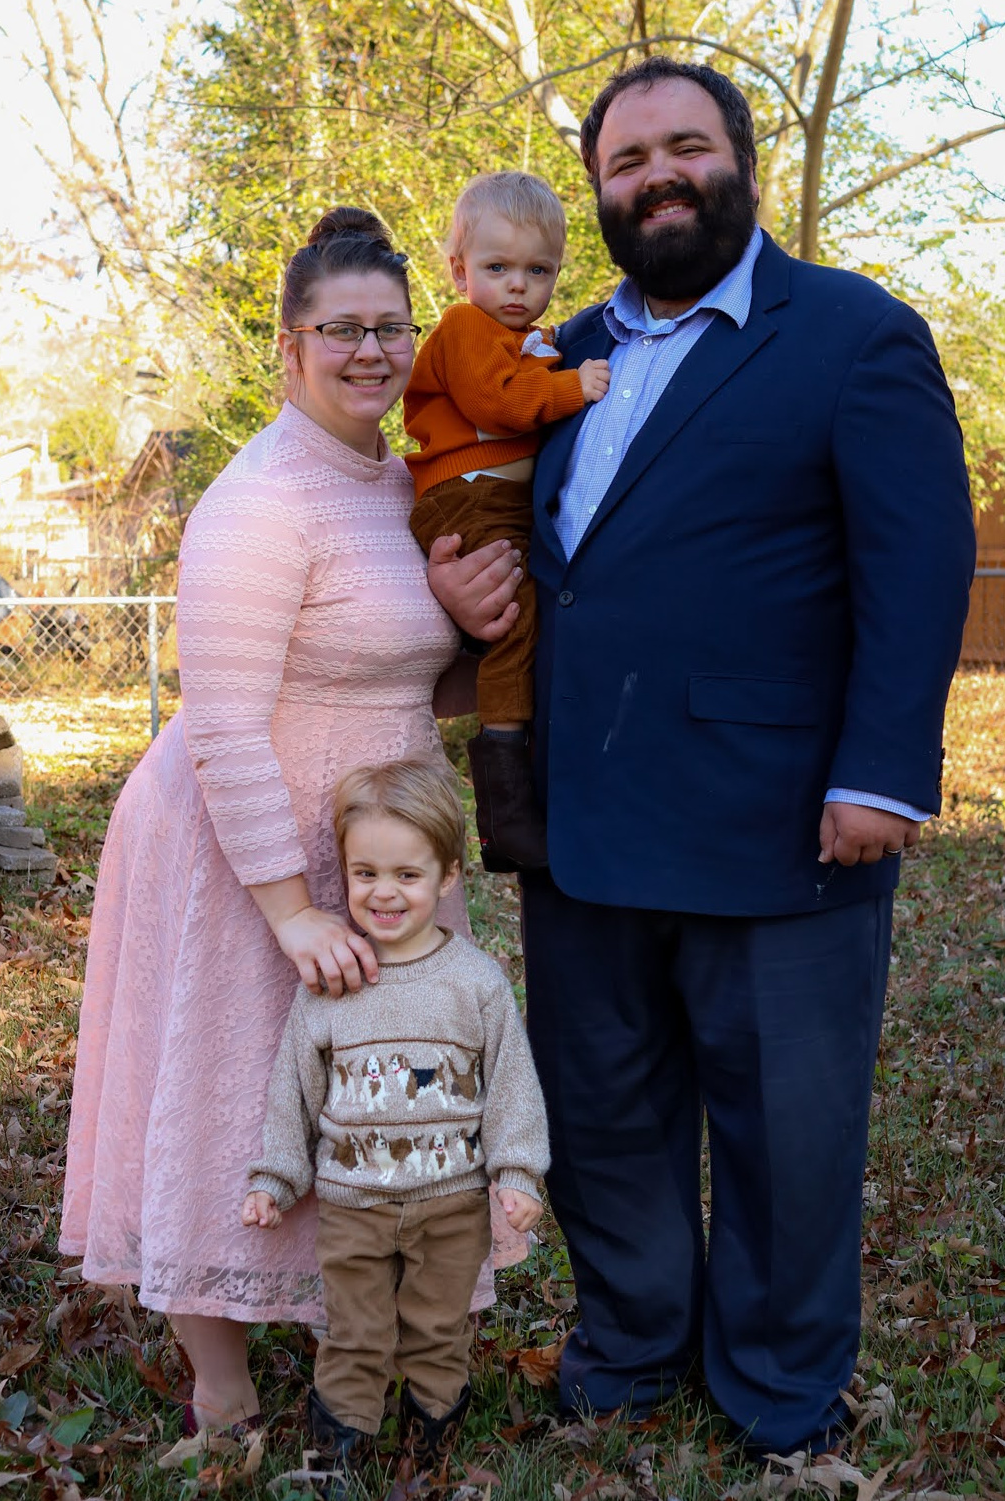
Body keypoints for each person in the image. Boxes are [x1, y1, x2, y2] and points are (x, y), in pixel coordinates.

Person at [427, 59, 975, 1457]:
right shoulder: (550, 358)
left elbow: (917, 568)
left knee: (787, 1127)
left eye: (684, 147)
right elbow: (515, 535)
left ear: (741, 159)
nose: (657, 176)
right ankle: (629, 1349)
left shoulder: (851, 333)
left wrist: (879, 773)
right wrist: (454, 590)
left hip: (776, 818)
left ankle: (779, 1385)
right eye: (626, 162)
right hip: (583, 814)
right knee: (605, 1110)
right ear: (600, 195)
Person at [59, 206, 530, 1436]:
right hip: (245, 840)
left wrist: (472, 637)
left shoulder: (399, 483)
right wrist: (289, 909)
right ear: (289, 345)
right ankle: (219, 1389)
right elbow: (222, 725)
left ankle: (355, 1340)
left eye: (391, 327)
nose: (370, 351)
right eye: (341, 330)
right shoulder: (258, 500)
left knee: (375, 1090)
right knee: (229, 1085)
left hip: (384, 834)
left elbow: (397, 672)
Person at [242, 758, 549, 1492]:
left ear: (447, 877)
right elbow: (293, 1087)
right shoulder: (332, 982)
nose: (384, 892)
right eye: (366, 873)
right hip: (353, 1204)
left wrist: (517, 1171)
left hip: (451, 1203)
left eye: (407, 875)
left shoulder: (475, 981)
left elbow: (512, 1082)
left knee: (438, 1326)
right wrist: (275, 1177)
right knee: (354, 1330)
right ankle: (338, 1445)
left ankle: (432, 1432)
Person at [404, 171, 610, 872]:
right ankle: (505, 807)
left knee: (533, 615)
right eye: (497, 268)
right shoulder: (465, 327)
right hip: (466, 494)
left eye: (537, 270)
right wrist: (573, 386)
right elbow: (498, 403)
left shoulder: (527, 338)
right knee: (514, 623)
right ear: (459, 271)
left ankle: (528, 775)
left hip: (498, 499)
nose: (517, 286)